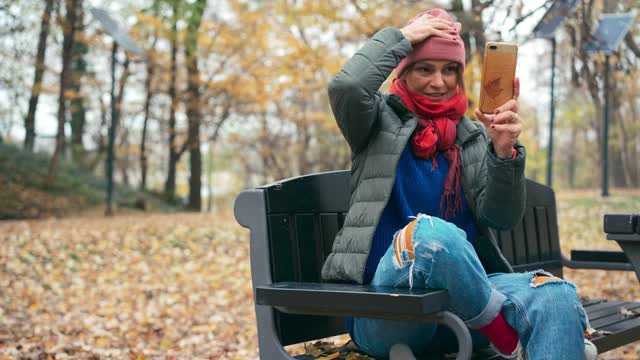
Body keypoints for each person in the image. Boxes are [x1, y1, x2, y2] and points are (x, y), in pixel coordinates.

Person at [320, 8, 595, 360]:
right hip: (387, 310)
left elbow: (502, 218)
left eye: (450, 69)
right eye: (425, 68)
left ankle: (516, 334)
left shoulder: (472, 137)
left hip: (463, 309)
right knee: (431, 235)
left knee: (556, 294)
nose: (439, 82)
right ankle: (506, 338)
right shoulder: (375, 123)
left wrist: (503, 152)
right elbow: (346, 86)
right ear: (404, 69)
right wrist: (402, 37)